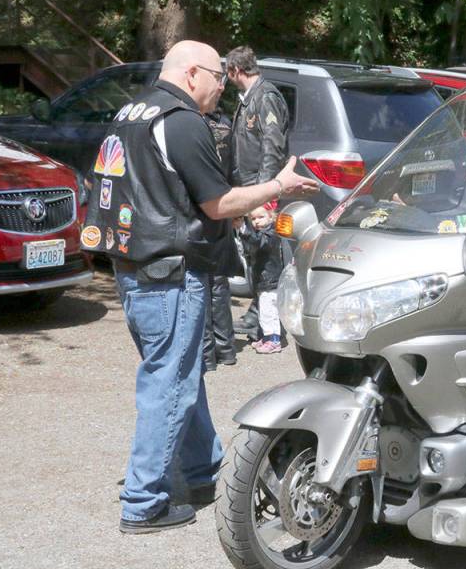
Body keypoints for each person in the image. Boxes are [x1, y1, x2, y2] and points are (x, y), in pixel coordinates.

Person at [81, 40, 320, 534]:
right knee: (169, 382)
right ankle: (143, 501)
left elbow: (167, 189)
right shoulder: (182, 120)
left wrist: (240, 205)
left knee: (181, 374)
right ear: (192, 74)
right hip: (170, 273)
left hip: (134, 270)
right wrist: (278, 187)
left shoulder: (131, 112)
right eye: (216, 75)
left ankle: (201, 469)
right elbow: (217, 203)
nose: (221, 85)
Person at [224, 45, 291, 340]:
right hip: (249, 185)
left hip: (260, 187)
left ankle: (268, 325)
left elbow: (272, 147)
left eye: (228, 73)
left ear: (236, 71)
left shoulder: (265, 97)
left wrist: (264, 194)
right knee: (254, 253)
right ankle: (257, 315)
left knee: (265, 254)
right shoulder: (248, 99)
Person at [203, 109, 239, 370]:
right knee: (218, 281)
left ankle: (207, 354)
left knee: (200, 283)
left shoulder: (190, 123)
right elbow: (234, 167)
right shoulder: (225, 123)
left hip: (202, 205)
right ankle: (225, 348)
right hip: (224, 201)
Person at [236, 203, 285, 353]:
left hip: (270, 282)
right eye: (253, 218)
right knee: (265, 311)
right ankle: (267, 337)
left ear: (271, 216)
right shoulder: (262, 232)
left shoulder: (270, 233)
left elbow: (257, 243)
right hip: (264, 281)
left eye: (261, 217)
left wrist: (243, 228)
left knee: (269, 312)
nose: (256, 221)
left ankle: (274, 341)